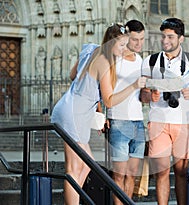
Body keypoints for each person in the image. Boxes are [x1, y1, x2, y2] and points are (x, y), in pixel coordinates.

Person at [51, 24, 146, 205]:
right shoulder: (104, 62)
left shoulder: (91, 49)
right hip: (74, 113)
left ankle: (74, 200)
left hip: (72, 106)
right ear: (111, 43)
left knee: (87, 164)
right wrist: (134, 86)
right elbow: (109, 100)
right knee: (73, 168)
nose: (124, 49)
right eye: (121, 45)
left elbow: (73, 75)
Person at [140, 18, 189, 205]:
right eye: (163, 36)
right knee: (161, 172)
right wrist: (149, 96)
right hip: (158, 122)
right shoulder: (150, 61)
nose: (165, 40)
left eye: (170, 36)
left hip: (184, 122)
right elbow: (142, 94)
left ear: (181, 38)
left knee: (182, 173)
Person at [106, 20, 146, 205]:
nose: (139, 44)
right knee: (119, 176)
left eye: (142, 39)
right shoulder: (115, 58)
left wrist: (149, 92)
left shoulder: (139, 60)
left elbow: (141, 96)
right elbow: (103, 89)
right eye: (135, 39)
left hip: (138, 122)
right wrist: (102, 112)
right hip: (119, 121)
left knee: (132, 176)